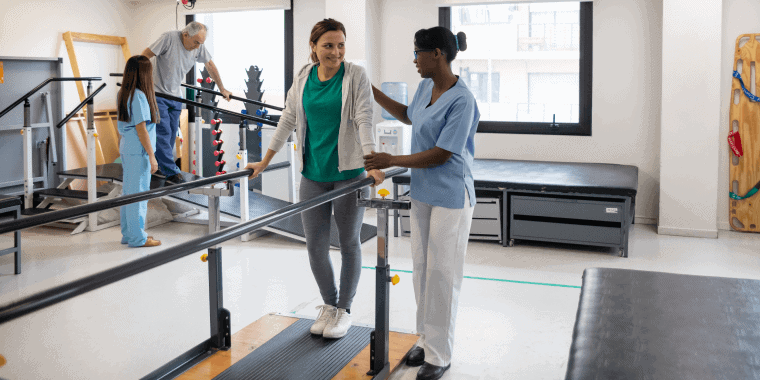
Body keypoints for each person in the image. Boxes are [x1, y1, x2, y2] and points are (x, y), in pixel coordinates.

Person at [245, 19, 384, 339]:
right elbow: (288, 119)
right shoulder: (304, 76)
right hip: (312, 173)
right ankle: (329, 305)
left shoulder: (355, 75)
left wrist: (371, 160)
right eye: (328, 45)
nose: (336, 52)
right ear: (314, 47)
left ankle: (344, 310)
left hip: (348, 173)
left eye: (341, 45)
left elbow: (364, 118)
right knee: (316, 246)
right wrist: (265, 161)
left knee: (348, 242)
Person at [364, 27, 479, 380]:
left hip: (451, 195)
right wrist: (369, 91)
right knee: (421, 270)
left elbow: (443, 154)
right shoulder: (427, 86)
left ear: (438, 54)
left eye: (418, 53)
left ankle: (440, 355)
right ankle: (426, 339)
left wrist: (392, 160)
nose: (414, 59)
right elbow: (409, 115)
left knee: (443, 274)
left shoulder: (463, 100)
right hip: (424, 192)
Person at [141, 21, 232, 184]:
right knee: (163, 133)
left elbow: (210, 65)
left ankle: (161, 167)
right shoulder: (168, 38)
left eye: (201, 43)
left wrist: (222, 88)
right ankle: (171, 172)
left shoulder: (199, 46)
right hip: (157, 93)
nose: (198, 47)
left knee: (171, 134)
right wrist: (137, 79)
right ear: (185, 34)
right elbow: (145, 55)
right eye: (196, 42)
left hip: (176, 96)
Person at [117, 55, 162, 248]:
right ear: (144, 74)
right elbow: (141, 128)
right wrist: (152, 156)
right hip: (139, 151)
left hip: (128, 149)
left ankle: (130, 234)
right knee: (138, 195)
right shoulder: (140, 96)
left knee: (129, 193)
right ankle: (137, 238)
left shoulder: (123, 93)